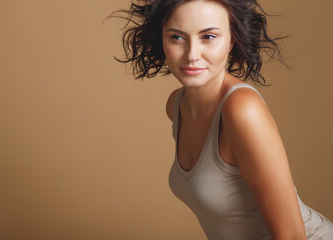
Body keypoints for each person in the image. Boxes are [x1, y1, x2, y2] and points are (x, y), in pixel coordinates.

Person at [108, 0, 333, 239]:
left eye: (208, 37)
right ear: (162, 39)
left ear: (231, 40)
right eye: (177, 37)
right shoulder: (176, 105)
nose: (192, 54)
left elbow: (292, 236)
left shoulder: (242, 109)